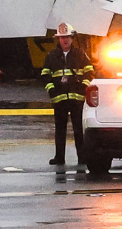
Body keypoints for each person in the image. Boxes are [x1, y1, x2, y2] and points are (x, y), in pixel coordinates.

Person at [41, 22, 92, 168]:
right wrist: (51, 90)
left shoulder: (80, 55)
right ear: (58, 39)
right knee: (60, 130)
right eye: (62, 37)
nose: (65, 40)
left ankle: (82, 157)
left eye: (67, 37)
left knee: (78, 129)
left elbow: (90, 72)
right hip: (59, 99)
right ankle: (59, 157)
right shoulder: (51, 56)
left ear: (72, 38)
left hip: (77, 99)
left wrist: (83, 87)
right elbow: (45, 74)